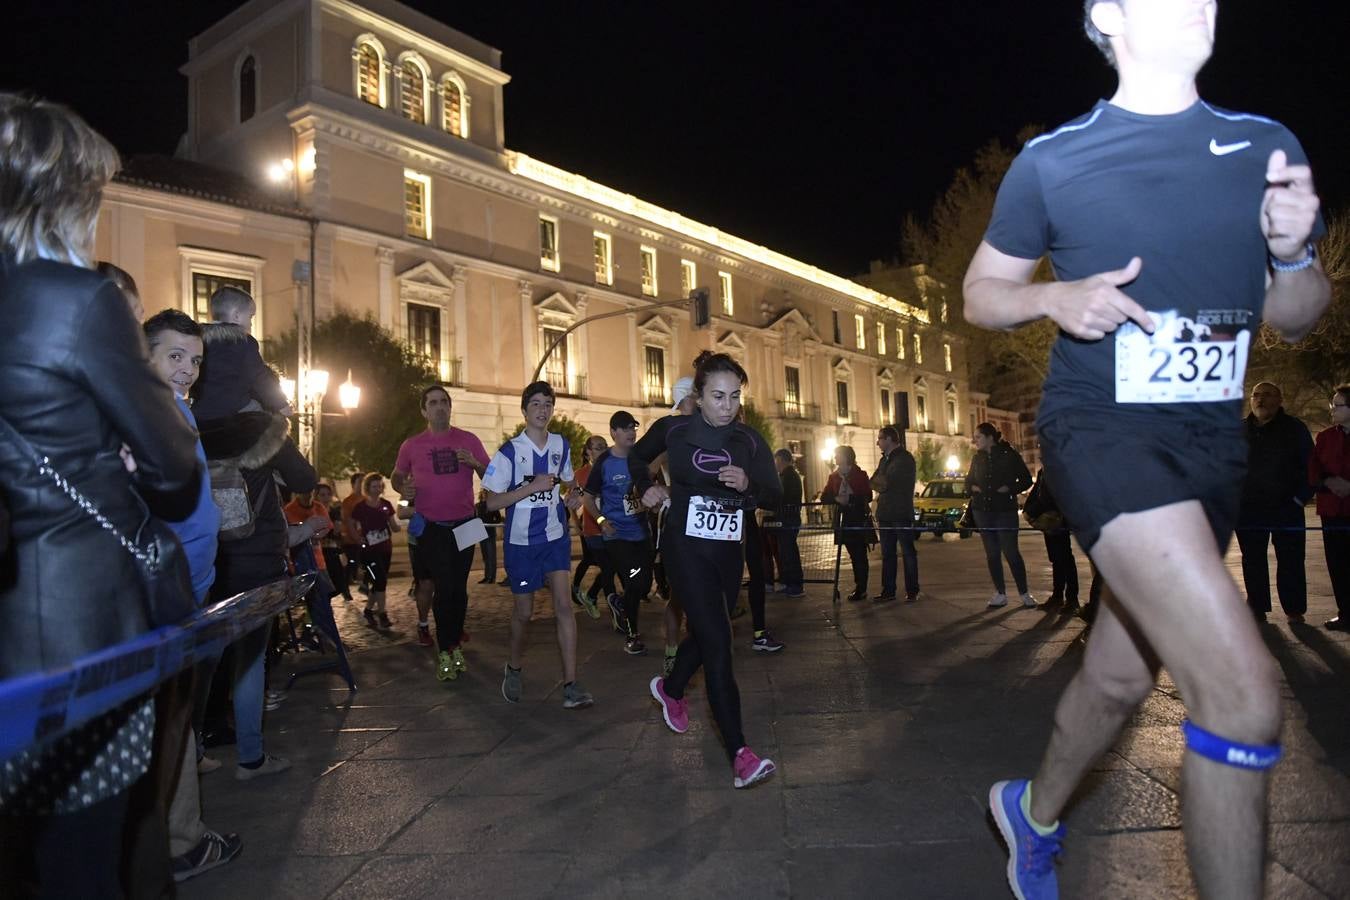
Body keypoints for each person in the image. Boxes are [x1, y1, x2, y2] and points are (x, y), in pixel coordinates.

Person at [962, 3, 1330, 897]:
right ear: (1110, 15)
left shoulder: (1264, 145)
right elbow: (982, 294)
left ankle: (1031, 814)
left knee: (1121, 674)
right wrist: (1053, 300)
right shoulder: (1055, 159)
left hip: (1212, 450)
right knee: (1241, 692)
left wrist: (1289, 258)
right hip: (1101, 429)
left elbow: (1296, 315)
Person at [0, 93, 202, 897]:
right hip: (80, 627)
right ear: (68, 191)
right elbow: (173, 461)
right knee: (88, 858)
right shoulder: (76, 298)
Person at [631, 351, 780, 789]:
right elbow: (636, 459)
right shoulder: (674, 430)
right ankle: (740, 753)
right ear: (698, 395)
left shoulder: (749, 441)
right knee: (718, 643)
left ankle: (672, 688)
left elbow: (775, 493)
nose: (727, 405)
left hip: (728, 551)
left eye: (734, 396)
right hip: (683, 545)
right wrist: (649, 488)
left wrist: (748, 486)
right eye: (717, 396)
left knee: (712, 632)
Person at [131, 309, 244, 886]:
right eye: (175, 356)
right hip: (160, 597)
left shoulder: (177, 412)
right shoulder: (144, 415)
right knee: (169, 726)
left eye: (194, 360)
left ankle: (171, 838)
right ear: (144, 352)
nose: (187, 370)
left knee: (172, 724)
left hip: (183, 593)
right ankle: (182, 843)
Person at [197, 402, 317, 782]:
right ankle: (250, 758)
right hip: (256, 561)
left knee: (203, 660)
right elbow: (304, 478)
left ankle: (192, 750)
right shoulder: (265, 429)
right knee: (250, 660)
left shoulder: (194, 422)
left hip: (207, 560)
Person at [482, 381, 593, 708]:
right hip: (521, 543)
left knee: (563, 606)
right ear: (525, 410)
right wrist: (530, 489)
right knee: (524, 613)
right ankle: (513, 667)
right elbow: (490, 503)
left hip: (555, 537)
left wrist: (574, 498)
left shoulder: (561, 444)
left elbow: (571, 484)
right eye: (536, 405)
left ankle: (571, 685)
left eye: (548, 404)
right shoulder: (509, 452)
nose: (543, 410)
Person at [392, 384, 490, 679]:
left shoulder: (468, 440)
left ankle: (454, 640)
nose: (439, 407)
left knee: (459, 588)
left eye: (444, 402)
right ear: (424, 410)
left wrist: (474, 463)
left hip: (467, 524)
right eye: (433, 402)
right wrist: (401, 487)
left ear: (450, 407)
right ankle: (446, 650)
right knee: (443, 586)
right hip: (431, 527)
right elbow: (397, 476)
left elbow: (492, 476)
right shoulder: (412, 445)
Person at [1238, 382, 1313, 623]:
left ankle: (1294, 609)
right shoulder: (1239, 430)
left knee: (1291, 559)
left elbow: (1311, 468)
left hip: (1287, 507)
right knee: (1252, 558)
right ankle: (1257, 607)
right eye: (1256, 395)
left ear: (1279, 400)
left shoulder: (1294, 429)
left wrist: (1300, 499)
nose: (1260, 400)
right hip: (1248, 509)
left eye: (1267, 395)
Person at [582, 411, 655, 655]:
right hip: (617, 536)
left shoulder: (640, 458)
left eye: (633, 427)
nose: (631, 432)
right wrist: (602, 521)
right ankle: (632, 636)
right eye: (625, 428)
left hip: (642, 532)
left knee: (643, 586)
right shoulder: (604, 463)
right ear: (613, 432)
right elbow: (588, 498)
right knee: (634, 581)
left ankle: (618, 602)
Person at [190, 286, 292, 422]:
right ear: (236, 316)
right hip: (235, 408)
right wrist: (281, 404)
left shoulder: (198, 340)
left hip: (200, 411)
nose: (250, 323)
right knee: (266, 420)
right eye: (250, 317)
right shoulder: (244, 341)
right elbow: (259, 376)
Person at [967, 423, 1035, 609]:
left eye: (978, 437)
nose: (975, 440)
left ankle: (1024, 592)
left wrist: (1010, 488)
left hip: (1004, 510)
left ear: (990, 437)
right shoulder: (977, 458)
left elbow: (1026, 479)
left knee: (1011, 551)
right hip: (982, 511)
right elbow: (968, 481)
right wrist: (972, 488)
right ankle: (1000, 593)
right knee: (992, 553)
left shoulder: (1009, 455)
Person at [1311, 385, 1350, 631]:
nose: (1332, 410)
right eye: (1332, 405)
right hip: (1331, 510)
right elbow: (1313, 468)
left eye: (1338, 405)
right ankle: (1345, 612)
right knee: (1337, 565)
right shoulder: (1325, 437)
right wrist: (1327, 482)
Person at [871, 425, 920, 603]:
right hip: (885, 512)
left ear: (889, 439)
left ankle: (912, 589)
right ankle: (888, 590)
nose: (877, 443)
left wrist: (881, 480)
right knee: (887, 553)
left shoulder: (904, 459)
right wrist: (880, 480)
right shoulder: (885, 460)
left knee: (907, 551)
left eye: (880, 439)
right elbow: (874, 482)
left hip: (900, 511)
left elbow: (885, 483)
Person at [820, 445, 873, 603]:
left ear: (845, 456)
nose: (835, 457)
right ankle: (860, 587)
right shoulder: (834, 476)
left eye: (837, 455)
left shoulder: (860, 474)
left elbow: (867, 496)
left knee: (860, 555)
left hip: (858, 518)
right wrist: (836, 499)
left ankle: (861, 588)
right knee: (853, 554)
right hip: (844, 519)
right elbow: (825, 497)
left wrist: (850, 499)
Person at [1024, 469, 1080, 611]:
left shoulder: (1059, 469)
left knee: (1065, 558)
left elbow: (1048, 498)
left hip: (1058, 518)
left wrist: (1031, 511)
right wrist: (1029, 509)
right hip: (1049, 519)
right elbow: (1037, 493)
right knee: (1056, 558)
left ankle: (1071, 599)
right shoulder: (1045, 470)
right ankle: (1058, 596)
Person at [571, 434, 613, 622]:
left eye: (604, 446)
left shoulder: (611, 469)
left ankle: (592, 595)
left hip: (613, 528)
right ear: (588, 451)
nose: (602, 450)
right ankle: (618, 616)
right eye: (597, 447)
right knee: (607, 566)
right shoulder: (581, 475)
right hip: (593, 530)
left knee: (612, 567)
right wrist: (576, 523)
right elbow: (573, 501)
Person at [350, 472, 400, 629]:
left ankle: (368, 610)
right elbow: (350, 523)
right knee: (381, 580)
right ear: (367, 488)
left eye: (380, 485)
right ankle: (382, 614)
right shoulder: (361, 507)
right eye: (374, 486)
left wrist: (404, 522)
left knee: (378, 582)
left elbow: (394, 526)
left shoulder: (386, 504)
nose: (378, 489)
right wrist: (357, 539)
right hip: (369, 551)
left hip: (385, 548)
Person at [772, 449, 806, 597]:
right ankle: (790, 582)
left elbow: (783, 496)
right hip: (787, 517)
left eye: (777, 461)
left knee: (789, 551)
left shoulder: (789, 476)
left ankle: (795, 584)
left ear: (781, 460)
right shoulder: (789, 475)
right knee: (786, 551)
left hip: (788, 518)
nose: (775, 464)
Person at [315, 481, 354, 602]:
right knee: (324, 584)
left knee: (338, 583)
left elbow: (337, 530)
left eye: (328, 494)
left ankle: (326, 602)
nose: (326, 498)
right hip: (319, 551)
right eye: (322, 495)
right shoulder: (314, 512)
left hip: (333, 549)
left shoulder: (333, 511)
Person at [339, 472, 366, 591]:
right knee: (351, 565)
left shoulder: (367, 500)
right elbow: (347, 520)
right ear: (353, 484)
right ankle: (345, 588)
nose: (362, 485)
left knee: (366, 563)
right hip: (350, 540)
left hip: (365, 538)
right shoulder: (348, 501)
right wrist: (355, 536)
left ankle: (364, 585)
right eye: (360, 482)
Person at [475, 488, 502, 584]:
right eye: (482, 493)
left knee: (491, 556)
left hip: (490, 532)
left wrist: (489, 523)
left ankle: (492, 577)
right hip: (481, 533)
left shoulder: (492, 505)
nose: (483, 494)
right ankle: (486, 576)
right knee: (485, 556)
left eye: (485, 493)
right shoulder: (477, 506)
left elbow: (498, 519)